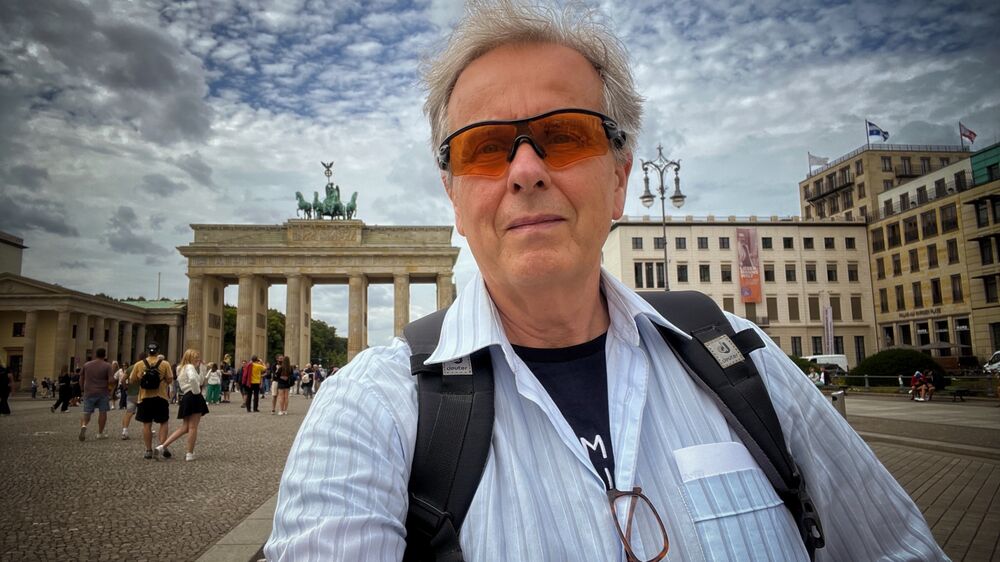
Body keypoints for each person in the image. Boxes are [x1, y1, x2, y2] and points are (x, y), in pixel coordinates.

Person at [264, 3, 947, 561]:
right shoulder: (371, 413)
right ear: (454, 197)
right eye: (485, 147)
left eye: (564, 136)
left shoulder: (745, 362)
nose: (526, 170)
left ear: (620, 179)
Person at [157, 349, 209, 461]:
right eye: (196, 357)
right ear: (190, 357)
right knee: (193, 427)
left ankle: (162, 446)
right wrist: (196, 392)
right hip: (193, 395)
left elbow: (197, 380)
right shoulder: (190, 367)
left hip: (186, 396)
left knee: (185, 427)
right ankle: (189, 453)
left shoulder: (180, 368)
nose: (198, 359)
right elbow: (195, 381)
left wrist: (202, 369)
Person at [128, 342, 174, 460]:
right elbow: (169, 379)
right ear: (158, 351)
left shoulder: (139, 364)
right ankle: (162, 446)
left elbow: (132, 380)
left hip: (144, 398)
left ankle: (148, 450)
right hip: (161, 397)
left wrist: (141, 377)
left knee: (147, 424)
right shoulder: (164, 364)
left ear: (147, 351)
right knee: (163, 422)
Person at [78, 348, 114, 441]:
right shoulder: (107, 366)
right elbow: (111, 380)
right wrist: (110, 390)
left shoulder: (87, 365)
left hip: (89, 391)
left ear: (95, 355)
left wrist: (82, 388)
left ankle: (84, 425)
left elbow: (81, 377)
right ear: (104, 355)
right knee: (103, 412)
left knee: (87, 411)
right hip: (102, 392)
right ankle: (100, 433)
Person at [120, 358, 141, 440]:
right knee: (146, 413)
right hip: (142, 394)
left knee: (128, 413)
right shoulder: (144, 367)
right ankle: (149, 430)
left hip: (131, 394)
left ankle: (124, 431)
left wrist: (125, 388)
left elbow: (122, 380)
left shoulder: (130, 368)